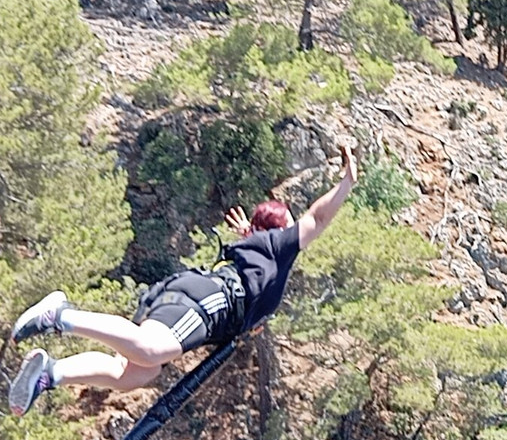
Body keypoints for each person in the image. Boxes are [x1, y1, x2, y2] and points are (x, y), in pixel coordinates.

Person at [7, 145, 359, 416]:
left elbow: (256, 252)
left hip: (197, 297)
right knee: (150, 349)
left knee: (136, 373)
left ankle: (51, 373)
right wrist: (346, 183)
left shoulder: (260, 251)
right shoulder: (279, 245)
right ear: (282, 229)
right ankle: (60, 316)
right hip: (212, 299)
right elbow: (319, 215)